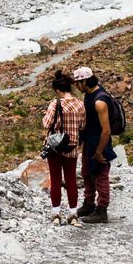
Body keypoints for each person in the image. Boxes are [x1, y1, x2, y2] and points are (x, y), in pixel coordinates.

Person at [40, 70, 84, 219]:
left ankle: (56, 213)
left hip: (55, 148)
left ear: (58, 90)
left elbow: (46, 124)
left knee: (56, 180)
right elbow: (83, 126)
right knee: (71, 180)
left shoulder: (55, 104)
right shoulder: (80, 104)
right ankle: (73, 213)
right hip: (72, 147)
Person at [76, 66, 115, 223]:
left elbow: (106, 130)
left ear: (85, 82)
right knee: (87, 174)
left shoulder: (100, 101)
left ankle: (102, 210)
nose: (76, 86)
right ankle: (89, 204)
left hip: (100, 144)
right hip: (90, 142)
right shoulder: (90, 94)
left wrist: (99, 151)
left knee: (101, 176)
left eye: (78, 83)